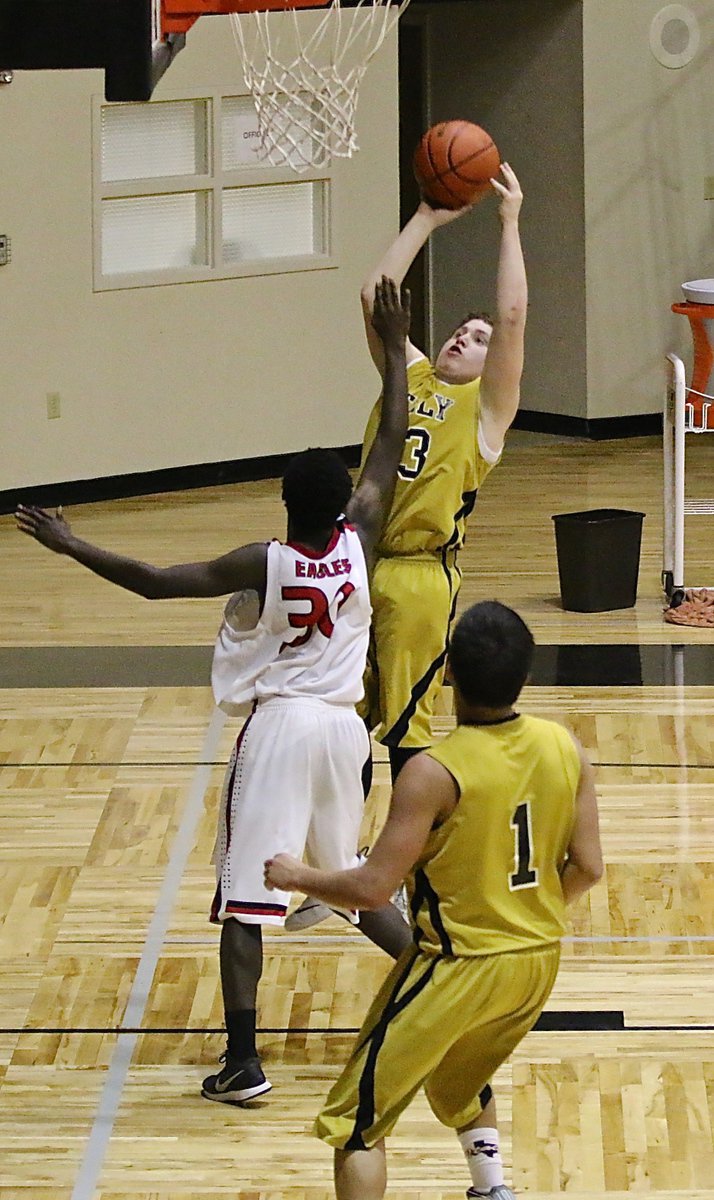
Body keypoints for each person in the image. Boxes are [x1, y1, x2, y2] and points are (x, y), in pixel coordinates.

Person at [15, 276, 413, 1104]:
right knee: (347, 875)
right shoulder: (360, 543)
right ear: (344, 504)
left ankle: (244, 1062)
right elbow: (390, 446)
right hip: (346, 731)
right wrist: (393, 358)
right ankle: (432, 984)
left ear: (283, 504)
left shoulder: (263, 560)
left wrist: (69, 542)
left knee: (244, 895)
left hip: (282, 730)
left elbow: (156, 582)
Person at [265, 600, 603, 1200]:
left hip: (456, 964)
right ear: (527, 670)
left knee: (356, 1122)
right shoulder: (565, 747)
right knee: (460, 1078)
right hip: (536, 963)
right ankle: (492, 1190)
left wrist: (299, 876)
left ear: (447, 670)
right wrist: (525, 914)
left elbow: (371, 890)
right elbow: (588, 868)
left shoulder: (432, 772)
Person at [360, 162, 527, 786]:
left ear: (494, 365)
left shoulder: (487, 411)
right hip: (356, 561)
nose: (466, 336)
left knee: (407, 737)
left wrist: (508, 223)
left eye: (478, 338)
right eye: (461, 329)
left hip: (420, 577)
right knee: (343, 726)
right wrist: (427, 217)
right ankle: (344, 861)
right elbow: (373, 295)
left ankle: (408, 869)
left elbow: (512, 317)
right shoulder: (409, 373)